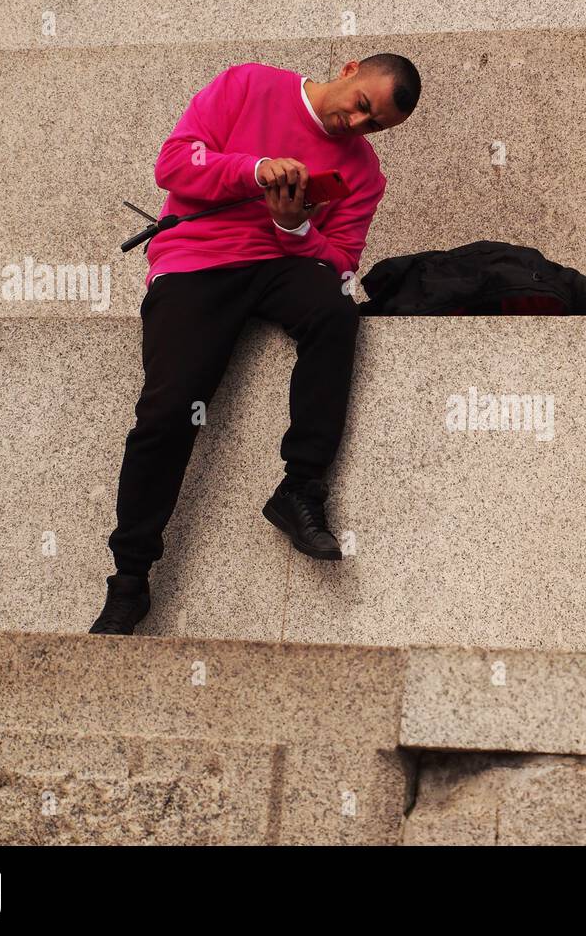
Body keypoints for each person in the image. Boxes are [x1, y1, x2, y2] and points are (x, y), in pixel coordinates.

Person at [90, 54, 420, 635]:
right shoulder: (250, 84)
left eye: (376, 126)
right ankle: (130, 578)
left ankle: (300, 486)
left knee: (337, 312)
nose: (358, 125)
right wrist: (255, 170)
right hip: (198, 260)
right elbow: (172, 165)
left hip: (281, 262)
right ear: (347, 71)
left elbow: (342, 260)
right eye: (362, 105)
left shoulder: (364, 174)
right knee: (169, 409)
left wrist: (292, 227)